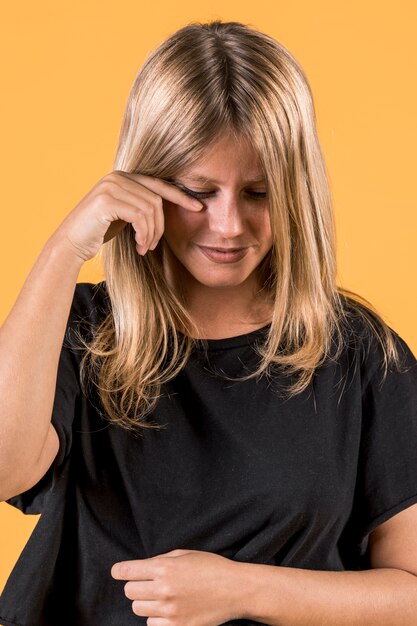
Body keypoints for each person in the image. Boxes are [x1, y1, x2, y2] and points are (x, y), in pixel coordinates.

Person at [0, 18, 416, 626]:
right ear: (147, 181)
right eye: (198, 190)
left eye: (259, 192)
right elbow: (7, 466)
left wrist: (243, 591)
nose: (227, 226)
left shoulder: (359, 353)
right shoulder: (81, 334)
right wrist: (65, 249)